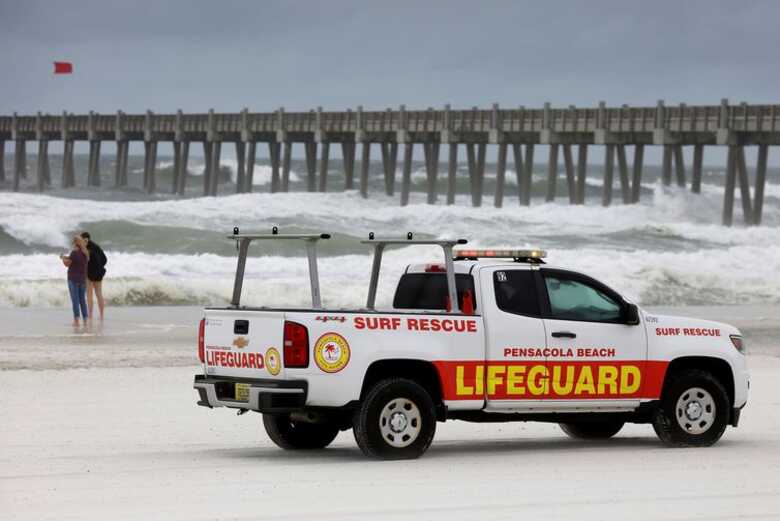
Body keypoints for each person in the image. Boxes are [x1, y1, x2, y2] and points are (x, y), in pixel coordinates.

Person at [60, 235, 89, 326]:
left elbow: (67, 264)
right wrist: (66, 257)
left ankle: (76, 320)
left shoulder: (74, 253)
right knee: (82, 300)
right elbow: (73, 260)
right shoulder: (85, 253)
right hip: (82, 280)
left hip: (73, 279)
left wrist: (62, 259)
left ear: (75, 243)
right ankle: (85, 319)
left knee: (75, 300)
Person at [80, 232, 108, 320]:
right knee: (99, 294)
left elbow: (85, 261)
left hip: (89, 274)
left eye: (82, 240)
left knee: (89, 295)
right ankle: (101, 315)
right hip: (99, 273)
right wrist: (99, 267)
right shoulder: (97, 247)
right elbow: (105, 259)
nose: (81, 242)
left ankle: (90, 315)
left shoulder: (86, 248)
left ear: (86, 239)